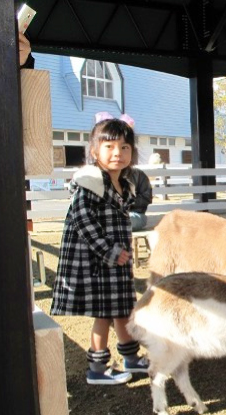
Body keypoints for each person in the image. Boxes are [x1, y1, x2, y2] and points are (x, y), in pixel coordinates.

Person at [50, 116, 149, 385]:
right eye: (109, 147)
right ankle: (97, 369)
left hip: (115, 262)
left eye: (125, 147)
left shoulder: (122, 184)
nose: (118, 153)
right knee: (104, 315)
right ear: (94, 151)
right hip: (96, 263)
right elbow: (83, 222)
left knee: (122, 309)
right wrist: (109, 251)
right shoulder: (90, 184)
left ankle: (131, 358)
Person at [128, 167, 152, 231]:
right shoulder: (100, 176)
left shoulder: (138, 174)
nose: (117, 156)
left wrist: (128, 201)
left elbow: (146, 198)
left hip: (135, 214)